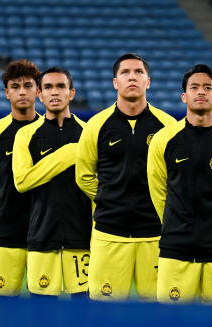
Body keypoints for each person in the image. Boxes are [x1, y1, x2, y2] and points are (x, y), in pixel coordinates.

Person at [75, 53, 175, 301]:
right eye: (125, 72)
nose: (132, 76)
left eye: (139, 72)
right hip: (109, 234)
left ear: (148, 82)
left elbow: (176, 178)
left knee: (159, 312)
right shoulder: (96, 125)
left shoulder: (168, 126)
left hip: (155, 234)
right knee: (103, 314)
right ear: (115, 82)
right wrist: (109, 197)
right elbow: (84, 175)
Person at [148, 65, 212, 305]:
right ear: (184, 96)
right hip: (175, 248)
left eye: (207, 88)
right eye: (194, 87)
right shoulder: (164, 139)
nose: (201, 92)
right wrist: (174, 222)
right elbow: (158, 191)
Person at [12, 66, 91, 297]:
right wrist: (68, 154)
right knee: (41, 318)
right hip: (41, 237)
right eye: (48, 87)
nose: (54, 92)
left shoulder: (88, 134)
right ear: (39, 94)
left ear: (71, 93)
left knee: (84, 316)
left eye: (60, 86)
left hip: (82, 239)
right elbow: (22, 181)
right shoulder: (26, 135)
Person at [0, 60, 40, 296]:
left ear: (38, 90)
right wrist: (2, 215)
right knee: (2, 305)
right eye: (15, 86)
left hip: (44, 234)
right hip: (6, 232)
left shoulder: (50, 130)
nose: (22, 91)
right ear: (6, 93)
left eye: (28, 85)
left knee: (43, 302)